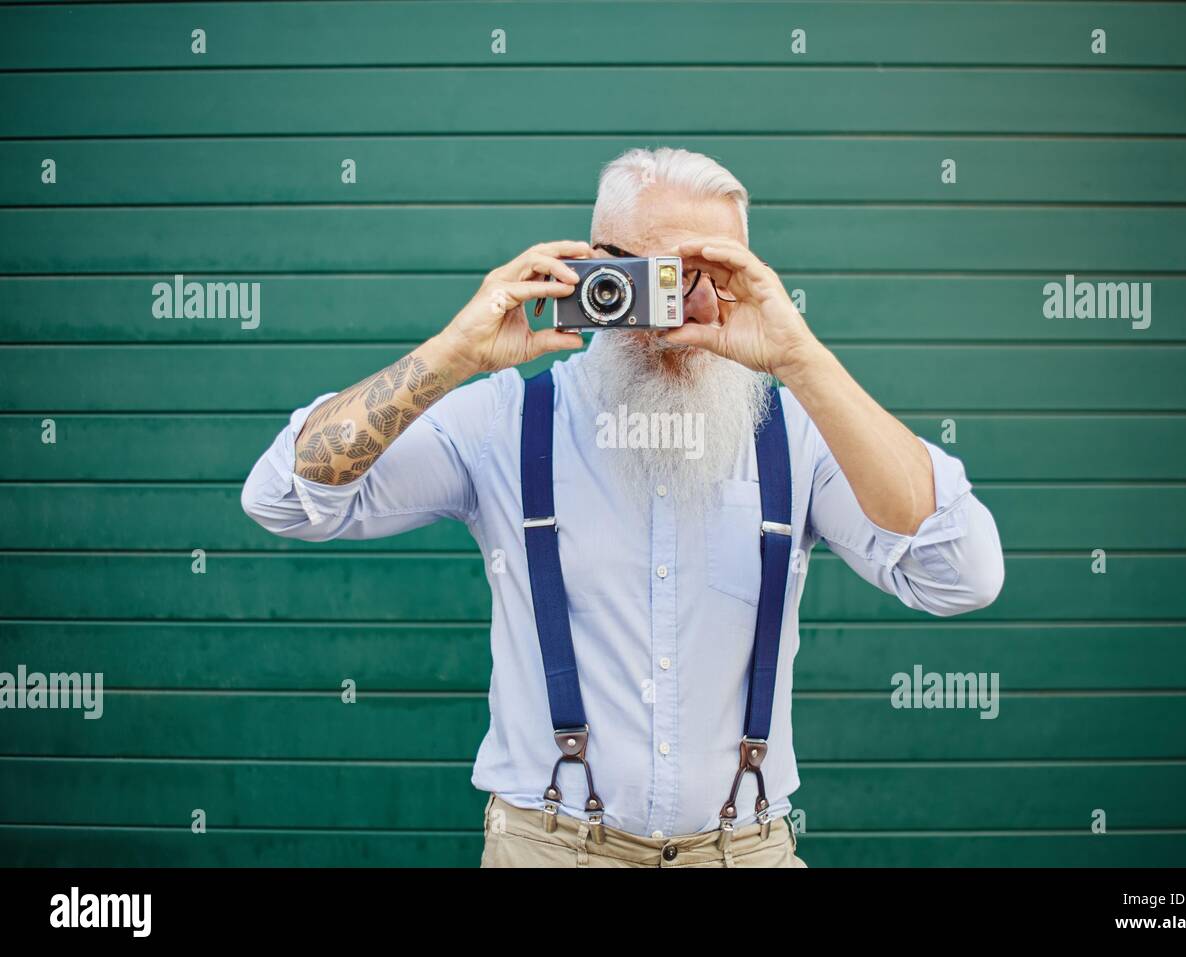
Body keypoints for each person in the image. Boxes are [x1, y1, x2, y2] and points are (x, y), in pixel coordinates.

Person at [241, 147, 1005, 868]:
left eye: (715, 272)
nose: (687, 302)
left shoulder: (795, 434)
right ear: (597, 269)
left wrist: (799, 358)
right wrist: (455, 353)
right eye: (661, 271)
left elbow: (959, 573)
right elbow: (285, 495)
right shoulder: (507, 419)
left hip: (744, 848)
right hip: (548, 846)